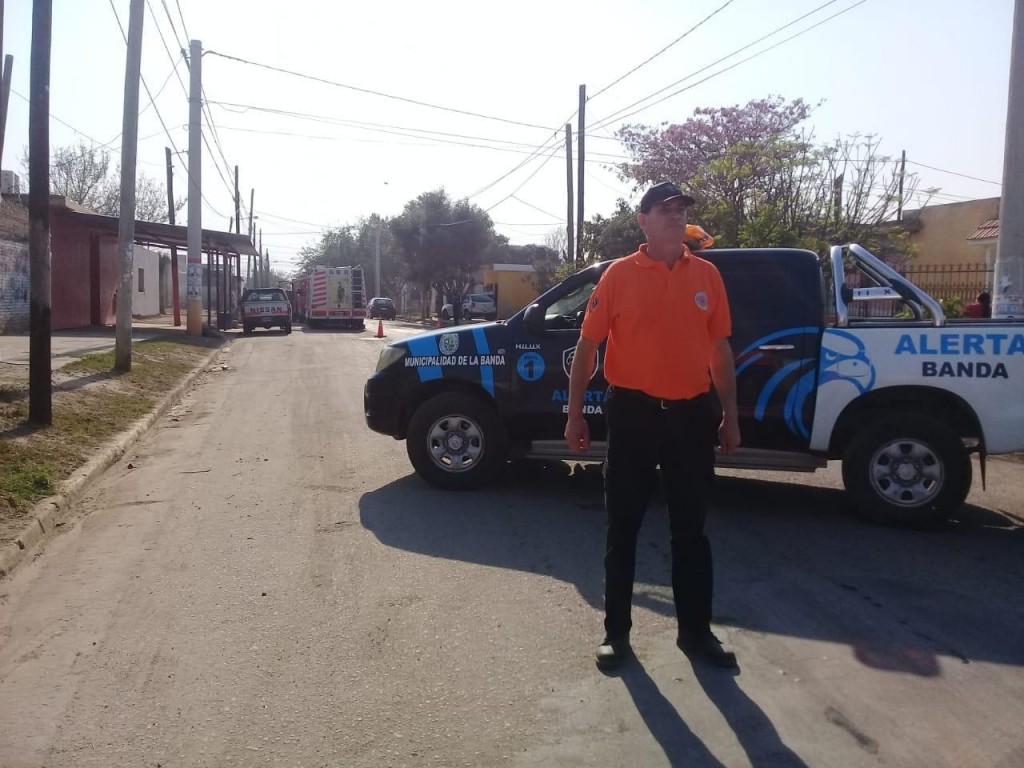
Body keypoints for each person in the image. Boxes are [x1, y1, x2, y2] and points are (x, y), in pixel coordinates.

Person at [564, 181, 741, 671]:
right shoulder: (619, 275)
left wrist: (729, 414)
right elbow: (587, 346)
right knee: (623, 527)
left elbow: (720, 349)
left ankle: (696, 633)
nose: (675, 215)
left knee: (691, 530)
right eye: (664, 209)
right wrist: (574, 414)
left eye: (680, 208)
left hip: (692, 416)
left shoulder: (706, 275)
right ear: (642, 220)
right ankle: (616, 635)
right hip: (633, 415)